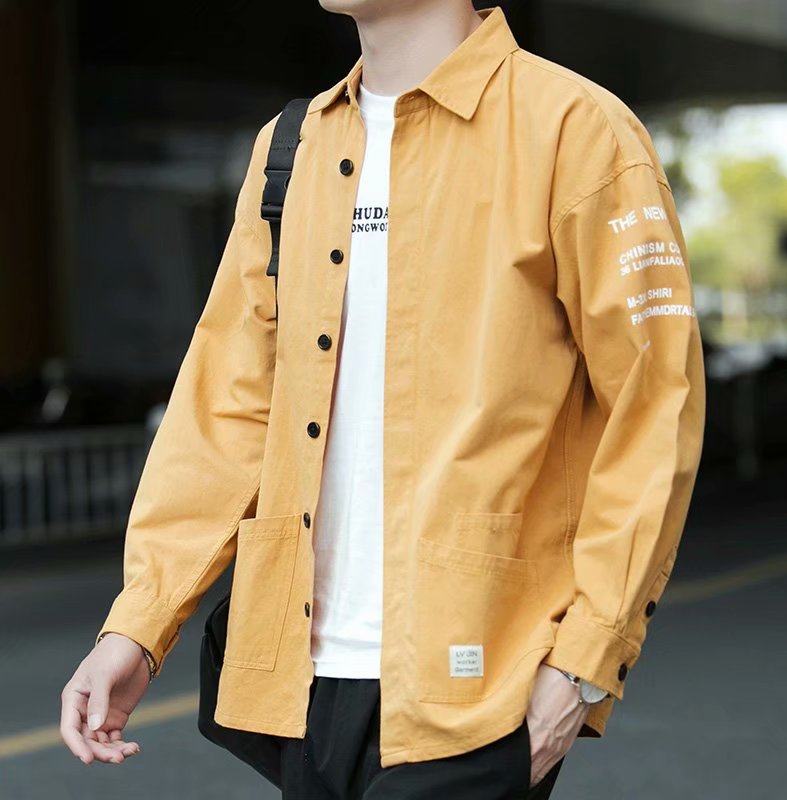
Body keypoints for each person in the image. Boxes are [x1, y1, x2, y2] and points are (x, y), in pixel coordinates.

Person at [59, 2, 705, 797]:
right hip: (301, 681)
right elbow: (228, 408)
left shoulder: (575, 130)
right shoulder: (290, 148)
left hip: (478, 682)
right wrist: (139, 624)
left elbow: (653, 411)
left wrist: (583, 667)